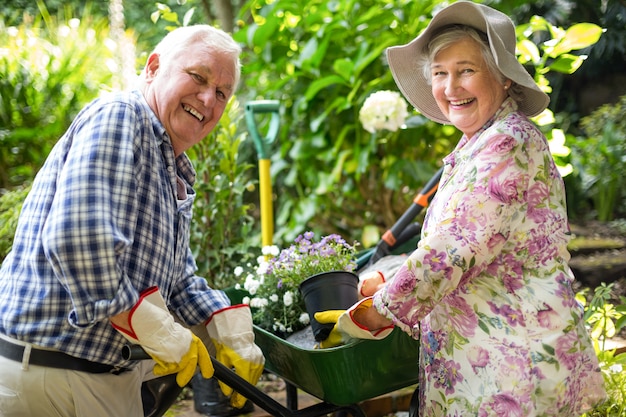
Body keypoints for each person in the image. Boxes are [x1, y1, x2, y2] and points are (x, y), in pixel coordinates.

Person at [315, 2, 607, 416]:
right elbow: (465, 243)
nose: (451, 87)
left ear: (504, 78)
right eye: (440, 73)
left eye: (466, 70)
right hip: (485, 366)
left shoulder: (509, 142)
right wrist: (388, 275)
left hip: (514, 373)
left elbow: (453, 250)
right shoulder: (479, 142)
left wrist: (373, 314)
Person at [0, 25, 264, 417]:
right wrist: (153, 327)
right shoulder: (123, 117)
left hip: (89, 377)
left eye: (222, 93)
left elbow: (176, 278)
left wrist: (225, 324)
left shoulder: (171, 164)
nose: (208, 98)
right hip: (56, 376)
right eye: (198, 77)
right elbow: (78, 239)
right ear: (153, 68)